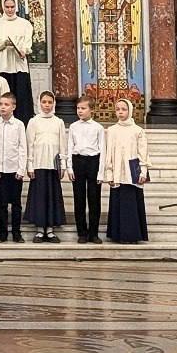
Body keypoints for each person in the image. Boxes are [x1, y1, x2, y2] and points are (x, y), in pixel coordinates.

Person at [25, 91, 68, 243]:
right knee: (40, 198)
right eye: (44, 102)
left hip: (53, 165)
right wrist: (30, 165)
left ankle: (50, 230)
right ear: (39, 103)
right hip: (38, 164)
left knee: (52, 197)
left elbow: (62, 145)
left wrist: (63, 165)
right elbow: (29, 144)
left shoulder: (59, 122)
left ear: (53, 103)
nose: (47, 105)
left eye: (50, 102)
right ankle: (39, 230)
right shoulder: (33, 121)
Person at [104, 98, 149, 244]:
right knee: (119, 203)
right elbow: (109, 153)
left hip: (132, 172)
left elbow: (143, 152)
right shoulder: (111, 130)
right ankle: (118, 235)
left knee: (132, 204)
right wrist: (109, 173)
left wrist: (143, 171)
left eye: (124, 109)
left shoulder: (138, 130)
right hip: (117, 172)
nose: (120, 112)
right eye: (118, 109)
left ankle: (133, 235)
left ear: (130, 110)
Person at [0, 0, 34, 124]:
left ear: (16, 7)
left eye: (12, 7)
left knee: (21, 98)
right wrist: (4, 43)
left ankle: (22, 125)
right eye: (7, 7)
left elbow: (28, 43)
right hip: (2, 65)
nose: (9, 10)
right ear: (3, 7)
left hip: (19, 65)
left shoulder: (25, 24)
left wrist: (24, 50)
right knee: (4, 97)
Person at [68, 95, 105, 243]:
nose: (80, 111)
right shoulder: (73, 127)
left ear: (92, 110)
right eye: (78, 108)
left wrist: (101, 172)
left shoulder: (98, 128)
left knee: (94, 199)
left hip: (93, 162)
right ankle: (82, 233)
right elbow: (70, 147)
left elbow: (103, 150)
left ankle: (93, 233)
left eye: (83, 108)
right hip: (78, 161)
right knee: (79, 199)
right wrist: (69, 168)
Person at [0, 91, 27, 243]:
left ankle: (16, 232)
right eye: (1, 104)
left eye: (6, 104)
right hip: (0, 170)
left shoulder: (19, 125)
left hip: (14, 170)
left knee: (16, 204)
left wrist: (21, 169)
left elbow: (22, 148)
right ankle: (2, 233)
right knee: (1, 204)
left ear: (13, 107)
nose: (2, 107)